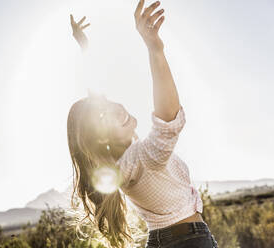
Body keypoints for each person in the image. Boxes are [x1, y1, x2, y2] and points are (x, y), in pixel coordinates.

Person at [68, 1, 219, 247]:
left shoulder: (120, 166)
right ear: (101, 138)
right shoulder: (140, 157)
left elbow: (96, 101)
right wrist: (154, 48)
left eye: (109, 103)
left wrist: (84, 45)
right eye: (105, 117)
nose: (116, 108)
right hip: (188, 241)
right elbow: (168, 120)